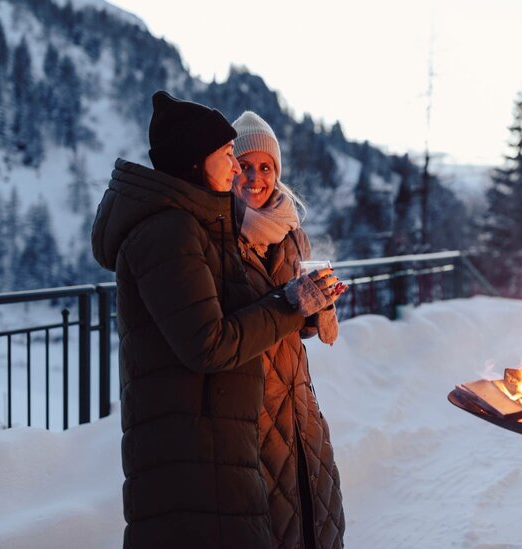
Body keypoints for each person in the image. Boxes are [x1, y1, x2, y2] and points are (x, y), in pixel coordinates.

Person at [90, 91, 343, 548]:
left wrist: (310, 309)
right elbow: (211, 340)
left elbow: (252, 316)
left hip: (274, 420)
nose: (242, 172)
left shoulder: (227, 228)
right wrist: (291, 304)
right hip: (226, 432)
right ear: (195, 161)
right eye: (232, 158)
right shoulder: (177, 231)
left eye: (262, 166)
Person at [231, 110, 346, 549]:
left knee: (314, 518)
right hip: (249, 406)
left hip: (298, 402)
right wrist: (294, 301)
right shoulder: (218, 235)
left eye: (266, 167)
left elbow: (297, 324)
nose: (256, 178)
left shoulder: (292, 233)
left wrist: (320, 306)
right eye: (244, 166)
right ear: (228, 168)